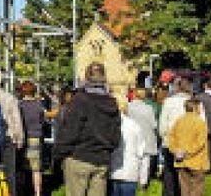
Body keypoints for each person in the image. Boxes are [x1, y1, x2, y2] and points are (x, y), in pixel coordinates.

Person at [54, 62, 120, 196]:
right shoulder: (112, 102)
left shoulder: (80, 100)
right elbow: (116, 136)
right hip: (101, 160)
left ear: (86, 78)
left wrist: (58, 154)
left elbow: (70, 131)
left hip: (79, 157)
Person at [159, 77, 201, 196]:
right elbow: (201, 123)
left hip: (171, 142)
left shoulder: (168, 102)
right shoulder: (195, 103)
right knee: (187, 174)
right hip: (189, 143)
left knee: (170, 173)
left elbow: (162, 125)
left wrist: (165, 138)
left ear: (177, 87)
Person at [0, 70, 24, 196]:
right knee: (10, 171)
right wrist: (20, 139)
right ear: (2, 81)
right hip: (8, 136)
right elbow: (16, 120)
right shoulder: (9, 97)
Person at [111, 96, 154, 196]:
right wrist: (143, 179)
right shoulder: (135, 126)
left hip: (112, 172)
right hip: (130, 173)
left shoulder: (108, 124)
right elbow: (143, 154)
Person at [168, 98, 211, 196]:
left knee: (184, 187)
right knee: (197, 187)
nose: (201, 110)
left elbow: (171, 137)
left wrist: (176, 151)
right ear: (196, 108)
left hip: (180, 159)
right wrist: (187, 152)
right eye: (200, 108)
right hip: (197, 160)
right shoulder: (200, 122)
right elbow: (200, 143)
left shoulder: (179, 121)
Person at [128, 87, 161, 189]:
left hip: (131, 137)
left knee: (132, 159)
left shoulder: (128, 106)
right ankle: (143, 183)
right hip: (146, 137)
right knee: (145, 161)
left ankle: (133, 179)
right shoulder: (148, 108)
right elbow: (154, 125)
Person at [18, 80, 46, 196]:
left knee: (22, 168)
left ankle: (23, 191)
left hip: (23, 138)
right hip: (35, 138)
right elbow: (43, 120)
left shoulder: (19, 105)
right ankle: (37, 193)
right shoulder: (39, 105)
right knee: (36, 169)